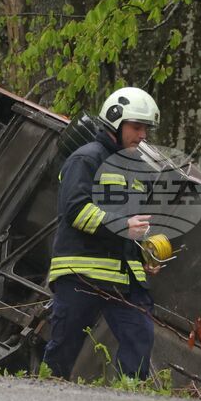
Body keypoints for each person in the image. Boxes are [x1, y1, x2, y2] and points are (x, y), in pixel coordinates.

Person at [42, 87, 162, 379]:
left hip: (123, 278)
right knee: (64, 347)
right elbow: (75, 211)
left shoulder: (135, 169)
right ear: (114, 122)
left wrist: (145, 251)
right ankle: (46, 396)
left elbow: (134, 222)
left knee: (140, 338)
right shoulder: (85, 159)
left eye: (146, 128)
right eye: (137, 127)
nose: (143, 135)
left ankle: (127, 400)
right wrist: (123, 227)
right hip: (81, 274)